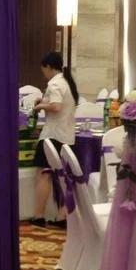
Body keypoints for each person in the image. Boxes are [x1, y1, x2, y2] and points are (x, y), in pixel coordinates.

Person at [29, 51, 79, 228]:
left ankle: (39, 215)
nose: (43, 72)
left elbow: (56, 107)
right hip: (67, 135)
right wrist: (43, 100)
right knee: (64, 178)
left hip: (52, 136)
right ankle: (62, 216)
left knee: (43, 175)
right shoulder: (67, 82)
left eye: (43, 69)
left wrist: (39, 107)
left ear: (49, 67)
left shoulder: (55, 83)